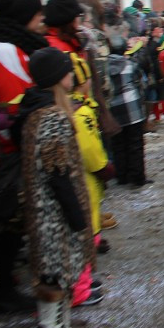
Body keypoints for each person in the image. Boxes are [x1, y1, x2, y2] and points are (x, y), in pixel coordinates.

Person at [18, 47, 94, 328]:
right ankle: (52, 327)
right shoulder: (53, 116)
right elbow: (57, 172)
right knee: (57, 267)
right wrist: (76, 215)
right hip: (53, 210)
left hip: (42, 206)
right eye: (66, 70)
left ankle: (57, 322)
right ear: (56, 76)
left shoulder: (34, 110)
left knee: (53, 266)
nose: (71, 75)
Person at [0, 0, 45, 316]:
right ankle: (3, 291)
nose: (42, 19)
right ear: (25, 17)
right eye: (38, 14)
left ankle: (4, 285)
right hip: (6, 154)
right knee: (9, 221)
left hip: (2, 150)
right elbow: (16, 102)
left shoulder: (5, 45)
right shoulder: (6, 52)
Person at [67, 54, 111, 308]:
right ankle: (79, 288)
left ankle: (82, 281)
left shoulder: (80, 106)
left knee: (86, 229)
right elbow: (88, 149)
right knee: (83, 232)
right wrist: (103, 166)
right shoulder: (80, 112)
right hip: (84, 180)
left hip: (84, 181)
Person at [107, 36, 149, 188]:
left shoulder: (103, 66)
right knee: (135, 143)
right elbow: (141, 81)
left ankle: (122, 175)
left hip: (113, 108)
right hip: (131, 108)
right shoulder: (129, 64)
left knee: (118, 143)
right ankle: (137, 176)